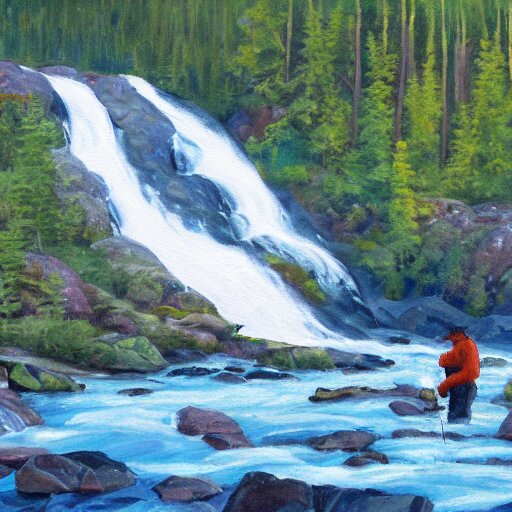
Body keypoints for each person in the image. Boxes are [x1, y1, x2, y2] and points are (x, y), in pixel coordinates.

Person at [437, 326, 480, 424]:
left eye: (450, 335)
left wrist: (443, 387)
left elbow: (470, 373)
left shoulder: (465, 345)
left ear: (456, 334)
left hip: (463, 388)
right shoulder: (465, 344)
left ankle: (456, 436)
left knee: (458, 419)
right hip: (464, 387)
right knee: (458, 419)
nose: (448, 338)